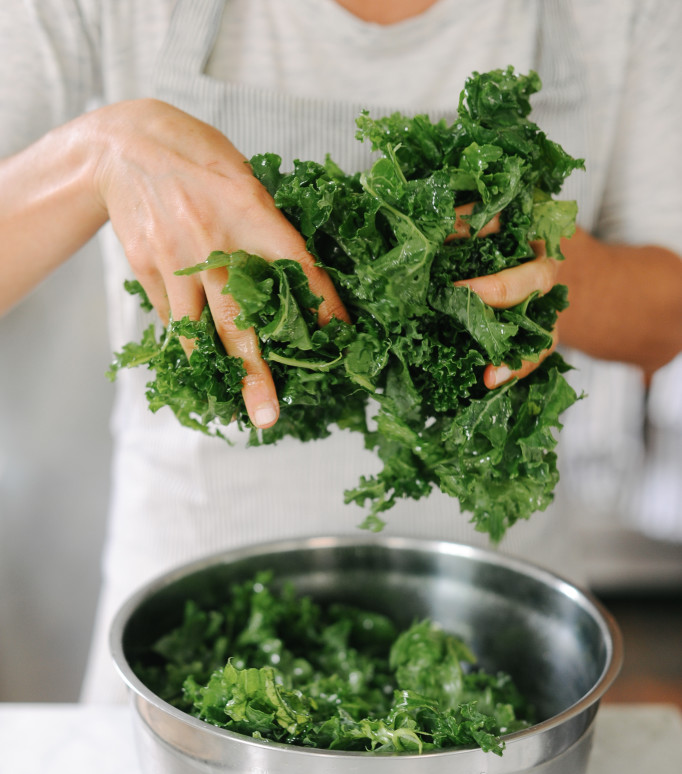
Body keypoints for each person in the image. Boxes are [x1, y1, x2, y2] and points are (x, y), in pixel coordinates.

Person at [1, 0, 681, 702]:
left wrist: (545, 272)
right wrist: (97, 155)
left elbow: (668, 317)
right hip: (186, 629)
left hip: (493, 632)